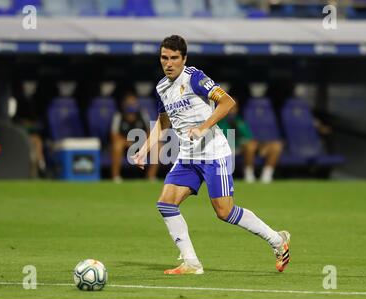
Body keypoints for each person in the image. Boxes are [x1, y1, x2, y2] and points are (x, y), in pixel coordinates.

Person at [131, 35, 290, 275]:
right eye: (164, 58)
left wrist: (203, 127)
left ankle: (277, 240)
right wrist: (143, 149)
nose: (169, 63)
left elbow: (227, 102)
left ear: (184, 59)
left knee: (224, 212)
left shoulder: (195, 78)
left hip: (214, 154)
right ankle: (191, 263)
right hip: (187, 156)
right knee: (166, 204)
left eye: (174, 58)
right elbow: (163, 123)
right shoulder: (162, 87)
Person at [218, 98, 283, 183]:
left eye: (234, 107)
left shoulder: (240, 120)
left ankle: (266, 176)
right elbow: (225, 140)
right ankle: (249, 176)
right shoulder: (218, 121)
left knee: (276, 146)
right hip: (229, 148)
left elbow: (249, 137)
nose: (231, 110)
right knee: (250, 145)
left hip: (246, 146)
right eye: (229, 107)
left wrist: (261, 147)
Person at [111, 90, 158, 183]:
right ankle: (116, 176)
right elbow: (114, 136)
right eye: (129, 103)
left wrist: (144, 144)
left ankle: (151, 176)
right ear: (124, 104)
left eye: (133, 103)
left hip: (141, 145)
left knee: (157, 145)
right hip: (125, 146)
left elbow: (150, 132)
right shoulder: (118, 116)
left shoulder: (142, 114)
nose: (131, 105)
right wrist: (127, 142)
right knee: (117, 145)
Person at [12, 80, 46, 178]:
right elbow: (15, 120)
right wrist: (23, 122)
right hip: (19, 135)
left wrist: (32, 124)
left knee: (37, 141)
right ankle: (39, 165)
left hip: (31, 134)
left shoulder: (35, 102)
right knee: (33, 142)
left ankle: (41, 164)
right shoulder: (17, 101)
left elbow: (37, 123)